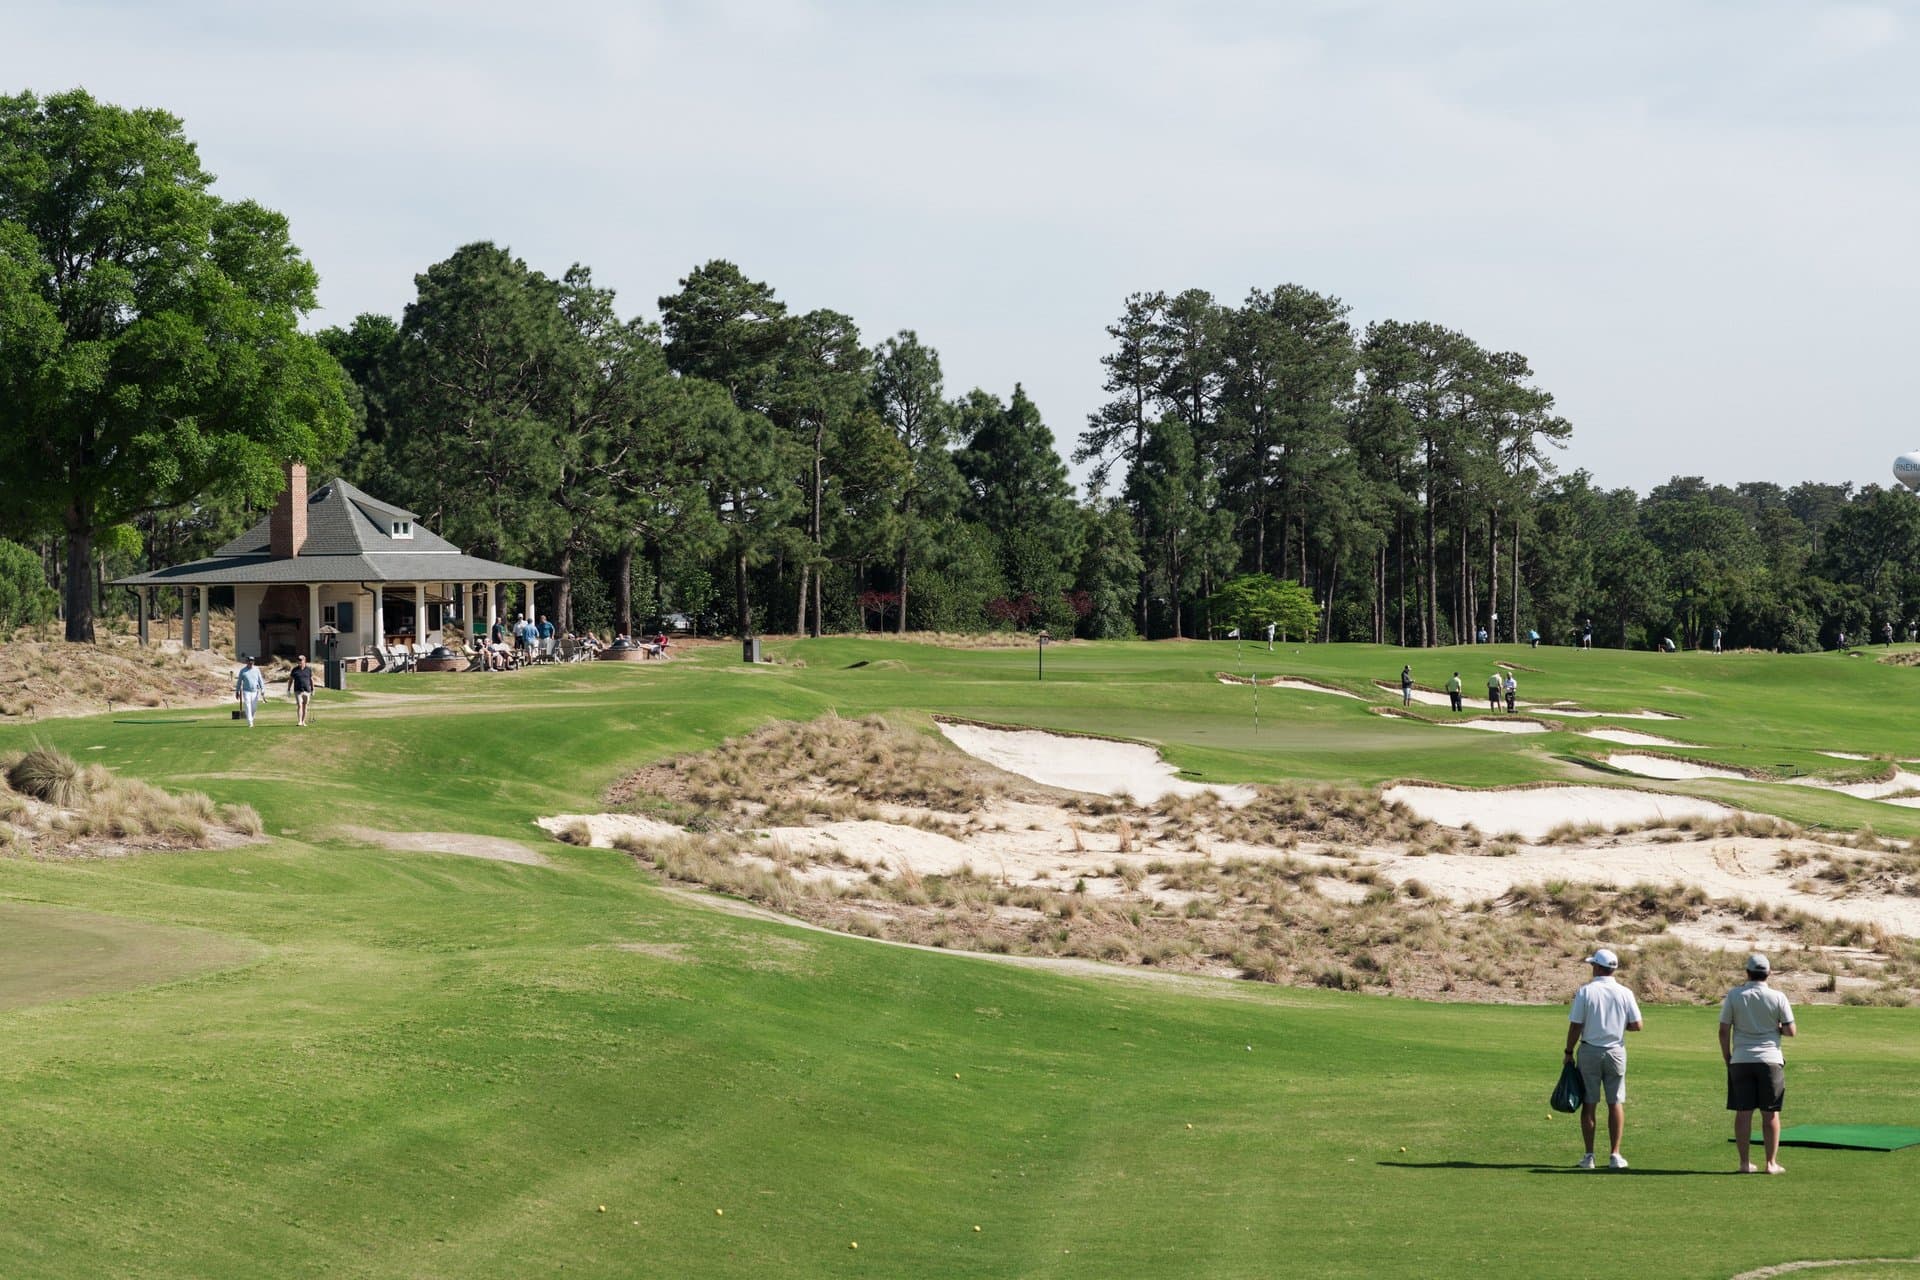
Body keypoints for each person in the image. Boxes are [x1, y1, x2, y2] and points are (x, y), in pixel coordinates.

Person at [1563, 948, 1644, 1170]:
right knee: (1615, 1102)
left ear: (1598, 967)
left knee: (1589, 1103)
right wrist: (1618, 1026)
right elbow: (1637, 1025)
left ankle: (1589, 1156)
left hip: (1590, 1051)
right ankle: (1615, 1155)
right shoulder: (1625, 992)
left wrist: (1568, 1052)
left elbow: (1576, 1025)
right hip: (1616, 1051)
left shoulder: (1586, 992)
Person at [1720, 953, 1796, 1175]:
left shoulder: (1734, 995)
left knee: (1743, 1112)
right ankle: (1771, 1163)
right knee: (1770, 1113)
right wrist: (1776, 1029)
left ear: (1747, 972)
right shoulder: (1778, 997)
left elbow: (1724, 1030)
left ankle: (1744, 1163)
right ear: (1769, 973)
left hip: (1741, 1058)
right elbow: (1791, 1030)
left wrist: (1728, 1056)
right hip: (1771, 1059)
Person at [234, 656, 266, 728]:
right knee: (248, 705)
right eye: (249, 661)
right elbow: (239, 682)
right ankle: (250, 722)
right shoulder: (243, 671)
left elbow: (260, 680)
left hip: (255, 691)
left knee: (254, 707)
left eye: (252, 661)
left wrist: (263, 689)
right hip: (246, 691)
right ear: (247, 662)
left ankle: (251, 718)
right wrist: (237, 691)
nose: (251, 662)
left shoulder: (257, 670)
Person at [286, 653, 314, 727]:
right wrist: (288, 690)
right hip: (298, 690)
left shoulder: (308, 669)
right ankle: (299, 721)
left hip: (307, 690)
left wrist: (313, 689)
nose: (299, 662)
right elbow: (290, 680)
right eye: (298, 660)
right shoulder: (295, 670)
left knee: (305, 706)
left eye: (301, 660)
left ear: (304, 661)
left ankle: (303, 721)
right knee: (299, 705)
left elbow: (311, 680)